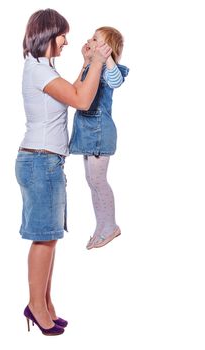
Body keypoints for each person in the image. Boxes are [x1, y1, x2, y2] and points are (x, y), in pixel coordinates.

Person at [15, 9, 112, 336]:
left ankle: (44, 303)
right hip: (40, 161)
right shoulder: (37, 70)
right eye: (62, 35)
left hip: (45, 161)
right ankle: (36, 306)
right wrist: (99, 60)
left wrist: (87, 64)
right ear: (47, 34)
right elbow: (82, 100)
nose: (67, 41)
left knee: (50, 237)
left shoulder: (43, 69)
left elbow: (70, 92)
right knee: (43, 238)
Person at [69, 26, 129, 250]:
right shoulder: (93, 68)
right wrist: (86, 60)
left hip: (99, 133)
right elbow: (78, 90)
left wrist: (108, 59)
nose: (89, 40)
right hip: (87, 132)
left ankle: (110, 226)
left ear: (106, 49)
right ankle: (101, 226)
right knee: (92, 182)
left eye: (95, 39)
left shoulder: (108, 70)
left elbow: (116, 81)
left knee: (98, 181)